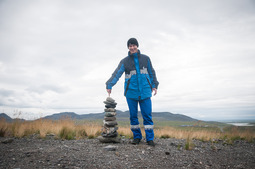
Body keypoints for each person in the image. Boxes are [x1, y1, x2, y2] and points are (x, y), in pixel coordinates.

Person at [106, 38, 159, 146]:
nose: (132, 47)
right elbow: (117, 74)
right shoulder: (124, 61)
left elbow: (151, 72)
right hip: (131, 92)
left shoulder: (146, 59)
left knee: (147, 116)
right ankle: (137, 137)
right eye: (130, 46)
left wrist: (154, 85)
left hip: (145, 92)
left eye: (134, 45)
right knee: (133, 116)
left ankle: (150, 139)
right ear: (128, 47)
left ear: (137, 46)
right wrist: (109, 84)